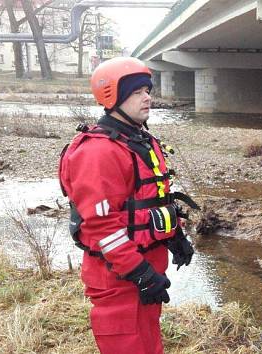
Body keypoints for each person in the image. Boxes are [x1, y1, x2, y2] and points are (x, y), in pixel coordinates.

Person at [58, 57, 197, 354]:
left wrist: (175, 237)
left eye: (148, 90)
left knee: (150, 344)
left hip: (148, 268)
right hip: (118, 276)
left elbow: (154, 199)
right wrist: (140, 273)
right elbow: (101, 227)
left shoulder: (141, 142)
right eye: (137, 92)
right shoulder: (98, 152)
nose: (148, 97)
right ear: (113, 97)